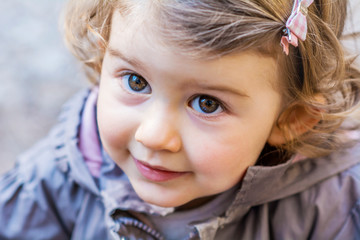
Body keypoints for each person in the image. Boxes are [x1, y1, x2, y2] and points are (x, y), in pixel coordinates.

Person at [1, 0, 360, 239]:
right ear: (101, 56)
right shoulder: (57, 178)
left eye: (206, 103)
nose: (154, 136)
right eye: (135, 82)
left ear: (290, 120)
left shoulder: (332, 209)